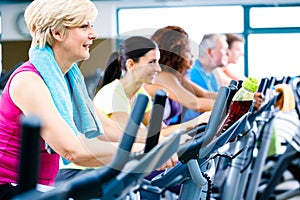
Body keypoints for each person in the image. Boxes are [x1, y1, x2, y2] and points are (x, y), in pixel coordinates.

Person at [0, 1, 174, 199]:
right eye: (85, 26)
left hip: (41, 187)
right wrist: (143, 150)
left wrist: (158, 141)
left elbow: (106, 129)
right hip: (10, 188)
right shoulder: (29, 80)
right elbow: (72, 150)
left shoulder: (68, 78)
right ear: (57, 32)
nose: (94, 34)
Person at [144, 26, 217, 126]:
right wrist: (232, 105)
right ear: (176, 53)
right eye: (188, 50)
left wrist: (235, 97)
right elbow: (195, 104)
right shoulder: (162, 76)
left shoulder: (176, 77)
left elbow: (205, 94)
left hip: (164, 133)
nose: (191, 56)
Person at [181, 33, 229, 122]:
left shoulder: (211, 75)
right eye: (224, 49)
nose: (228, 53)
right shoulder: (190, 73)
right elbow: (198, 103)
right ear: (210, 52)